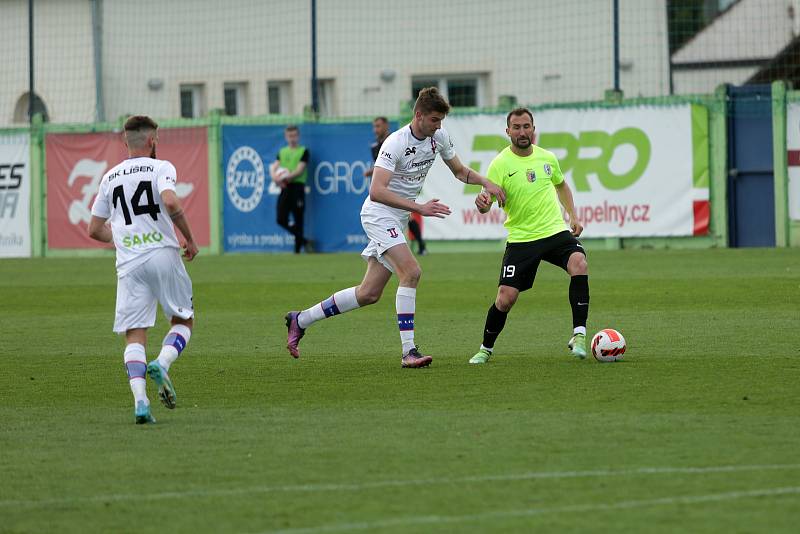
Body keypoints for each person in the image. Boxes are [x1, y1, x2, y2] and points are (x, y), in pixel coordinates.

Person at [285, 87, 506, 368]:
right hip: (379, 214)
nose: (440, 126)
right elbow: (376, 191)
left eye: (441, 121)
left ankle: (300, 319)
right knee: (411, 272)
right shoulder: (395, 143)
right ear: (419, 116)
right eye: (435, 120)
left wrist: (485, 182)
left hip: (397, 217)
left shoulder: (438, 137)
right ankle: (408, 351)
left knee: (368, 293)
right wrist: (420, 208)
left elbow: (460, 172)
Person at [88, 115, 198, 424]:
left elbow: (94, 229)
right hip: (162, 255)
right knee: (183, 320)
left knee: (134, 335)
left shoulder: (109, 177)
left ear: (125, 141)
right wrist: (189, 238)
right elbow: (172, 203)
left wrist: (122, 239)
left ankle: (140, 402)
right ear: (153, 140)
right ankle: (162, 363)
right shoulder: (161, 167)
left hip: (129, 263)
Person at [469, 107, 589, 364]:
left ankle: (579, 335)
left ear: (533, 129)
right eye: (517, 127)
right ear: (508, 131)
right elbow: (486, 200)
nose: (522, 132)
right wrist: (482, 203)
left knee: (579, 263)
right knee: (505, 298)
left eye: (526, 126)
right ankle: (485, 348)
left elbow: (561, 185)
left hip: (554, 231)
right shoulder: (500, 164)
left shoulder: (547, 158)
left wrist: (573, 216)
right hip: (522, 239)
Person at [365, 116, 427, 255]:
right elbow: (382, 167)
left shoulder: (396, 141)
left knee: (408, 216)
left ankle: (421, 245)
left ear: (386, 125)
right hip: (384, 187)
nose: (376, 130)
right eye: (374, 126)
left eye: (378, 126)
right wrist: (372, 172)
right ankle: (384, 247)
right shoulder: (375, 147)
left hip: (400, 186)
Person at [270, 125, 309, 253]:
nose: (292, 138)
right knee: (280, 219)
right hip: (285, 188)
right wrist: (275, 177)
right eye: (290, 136)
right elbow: (273, 167)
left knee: (299, 219)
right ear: (286, 137)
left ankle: (297, 250)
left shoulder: (304, 151)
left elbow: (299, 170)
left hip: (297, 187)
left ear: (298, 136)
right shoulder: (282, 152)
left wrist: (285, 178)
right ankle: (303, 240)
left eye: (294, 135)